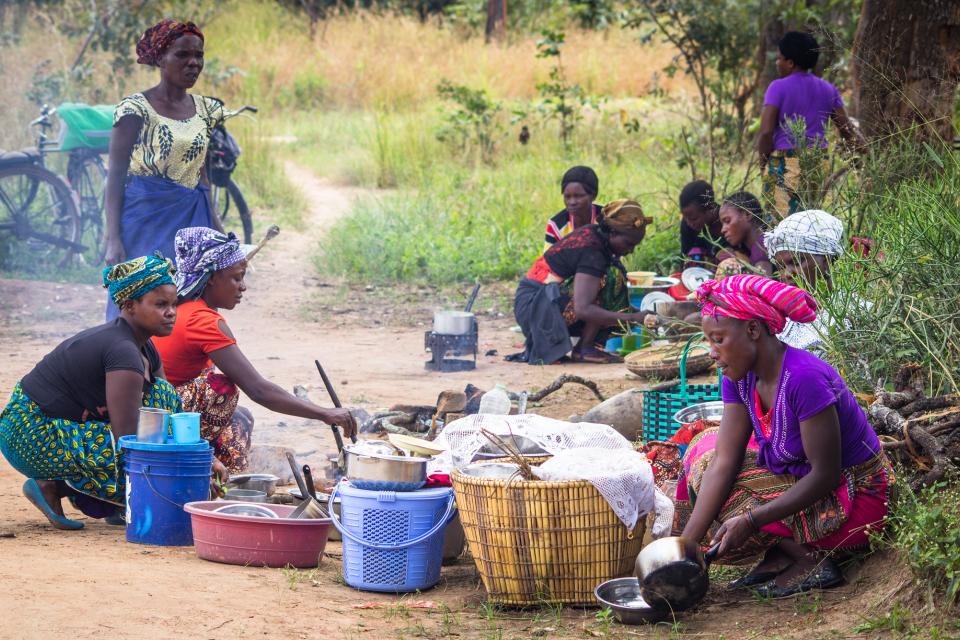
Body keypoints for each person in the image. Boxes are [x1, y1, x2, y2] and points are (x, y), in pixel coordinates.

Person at [673, 275, 892, 597]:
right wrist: (686, 546)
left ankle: (811, 558)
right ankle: (782, 552)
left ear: (752, 330)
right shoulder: (739, 376)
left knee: (738, 499)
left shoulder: (805, 378)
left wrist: (750, 520)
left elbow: (826, 474)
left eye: (718, 339)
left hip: (856, 495)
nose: (712, 352)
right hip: (798, 477)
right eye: (709, 341)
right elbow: (724, 459)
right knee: (704, 456)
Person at [0, 256, 227, 530]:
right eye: (160, 305)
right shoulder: (122, 351)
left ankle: (91, 496)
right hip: (29, 433)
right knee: (143, 463)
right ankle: (52, 485)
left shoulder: (144, 346)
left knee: (163, 396)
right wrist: (182, 476)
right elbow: (127, 440)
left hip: (59, 425)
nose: (171, 313)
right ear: (130, 306)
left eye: (173, 304)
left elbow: (170, 409)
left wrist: (204, 458)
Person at [153, 227, 356, 472]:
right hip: (161, 419)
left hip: (156, 410)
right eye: (236, 278)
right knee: (221, 390)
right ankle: (187, 465)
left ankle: (223, 478)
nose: (243, 287)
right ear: (212, 278)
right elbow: (258, 390)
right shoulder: (203, 321)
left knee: (240, 417)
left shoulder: (185, 308)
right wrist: (325, 414)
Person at [103, 19, 225, 321]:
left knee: (188, 300)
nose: (193, 64)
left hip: (190, 222)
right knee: (141, 299)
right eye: (182, 55)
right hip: (144, 219)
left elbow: (202, 174)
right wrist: (113, 237)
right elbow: (115, 174)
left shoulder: (207, 110)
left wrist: (217, 227)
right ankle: (130, 365)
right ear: (160, 58)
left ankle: (178, 368)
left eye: (199, 56)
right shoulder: (136, 109)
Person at [514, 199, 654, 364]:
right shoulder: (592, 250)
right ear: (613, 233)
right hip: (534, 308)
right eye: (629, 244)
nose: (630, 250)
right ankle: (584, 347)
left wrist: (643, 315)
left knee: (612, 277)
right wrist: (633, 318)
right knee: (611, 277)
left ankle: (585, 347)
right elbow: (583, 309)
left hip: (540, 303)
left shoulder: (598, 237)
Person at [759, 31, 864, 218]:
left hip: (784, 161)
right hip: (816, 162)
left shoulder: (777, 87)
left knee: (779, 224)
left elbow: (766, 132)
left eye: (780, 58)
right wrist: (868, 152)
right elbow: (847, 129)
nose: (777, 63)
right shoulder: (828, 89)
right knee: (807, 221)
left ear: (790, 63)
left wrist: (763, 165)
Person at [766, 209, 846, 356]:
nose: (787, 274)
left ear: (827, 261)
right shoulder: (779, 319)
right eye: (781, 267)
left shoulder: (852, 315)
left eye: (796, 262)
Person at [544, 166, 602, 252]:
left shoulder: (607, 219)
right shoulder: (556, 225)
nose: (572, 202)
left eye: (578, 196)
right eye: (567, 197)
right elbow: (548, 261)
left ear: (593, 196)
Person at [716, 192, 773, 276]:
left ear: (748, 214)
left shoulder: (761, 245)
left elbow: (761, 285)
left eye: (727, 221)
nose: (723, 230)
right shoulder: (748, 250)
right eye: (722, 224)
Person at [679, 180, 727, 266]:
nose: (689, 223)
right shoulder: (687, 224)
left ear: (711, 208)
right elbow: (685, 258)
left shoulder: (729, 223)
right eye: (685, 217)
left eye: (694, 219)